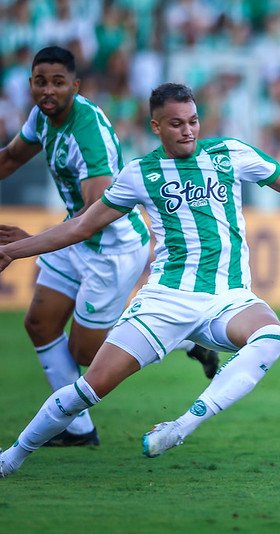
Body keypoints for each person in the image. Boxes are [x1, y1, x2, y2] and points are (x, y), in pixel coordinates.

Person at [0, 82, 280, 477]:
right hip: (167, 299)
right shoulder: (139, 174)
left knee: (272, 336)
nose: (188, 130)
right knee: (92, 386)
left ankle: (182, 425)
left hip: (228, 298)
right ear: (156, 126)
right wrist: (12, 250)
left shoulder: (230, 153)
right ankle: (13, 456)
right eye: (176, 123)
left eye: (193, 120)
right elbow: (80, 227)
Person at [0, 46, 219, 448]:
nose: (48, 90)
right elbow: (11, 159)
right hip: (74, 235)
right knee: (39, 324)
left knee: (85, 352)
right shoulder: (42, 117)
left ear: (75, 86)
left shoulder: (90, 135)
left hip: (109, 247)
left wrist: (28, 243)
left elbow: (91, 218)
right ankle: (77, 428)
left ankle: (183, 338)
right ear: (30, 84)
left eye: (58, 83)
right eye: (40, 81)